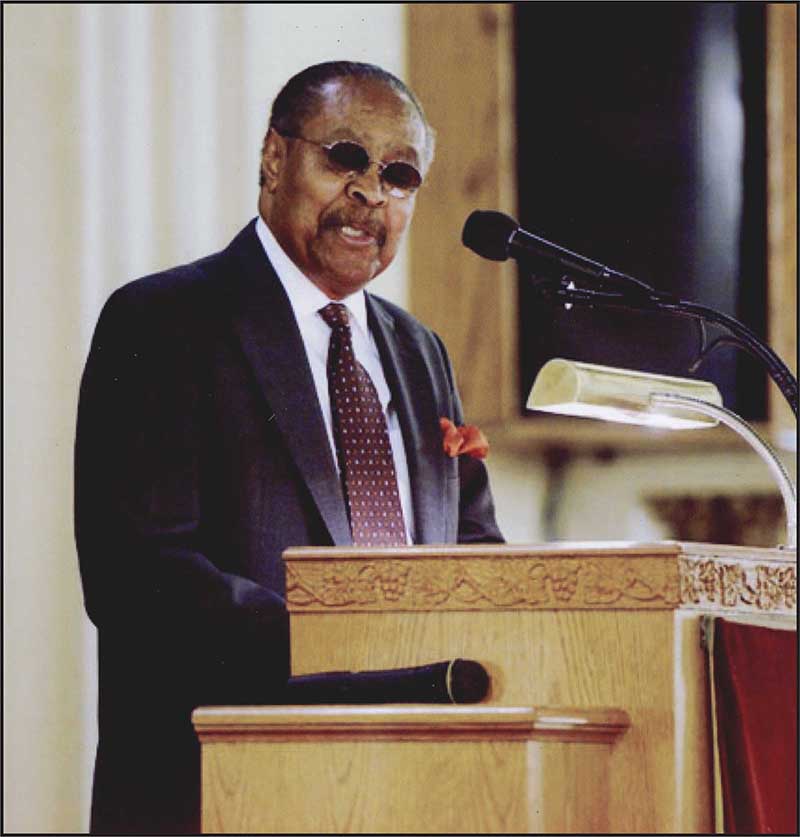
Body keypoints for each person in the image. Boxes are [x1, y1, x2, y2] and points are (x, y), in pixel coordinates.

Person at [75, 60, 503, 835]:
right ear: (275, 157)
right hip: (222, 794)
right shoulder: (165, 323)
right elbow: (138, 578)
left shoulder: (421, 354)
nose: (370, 192)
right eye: (345, 157)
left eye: (398, 174)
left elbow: (472, 553)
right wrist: (357, 652)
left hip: (420, 789)